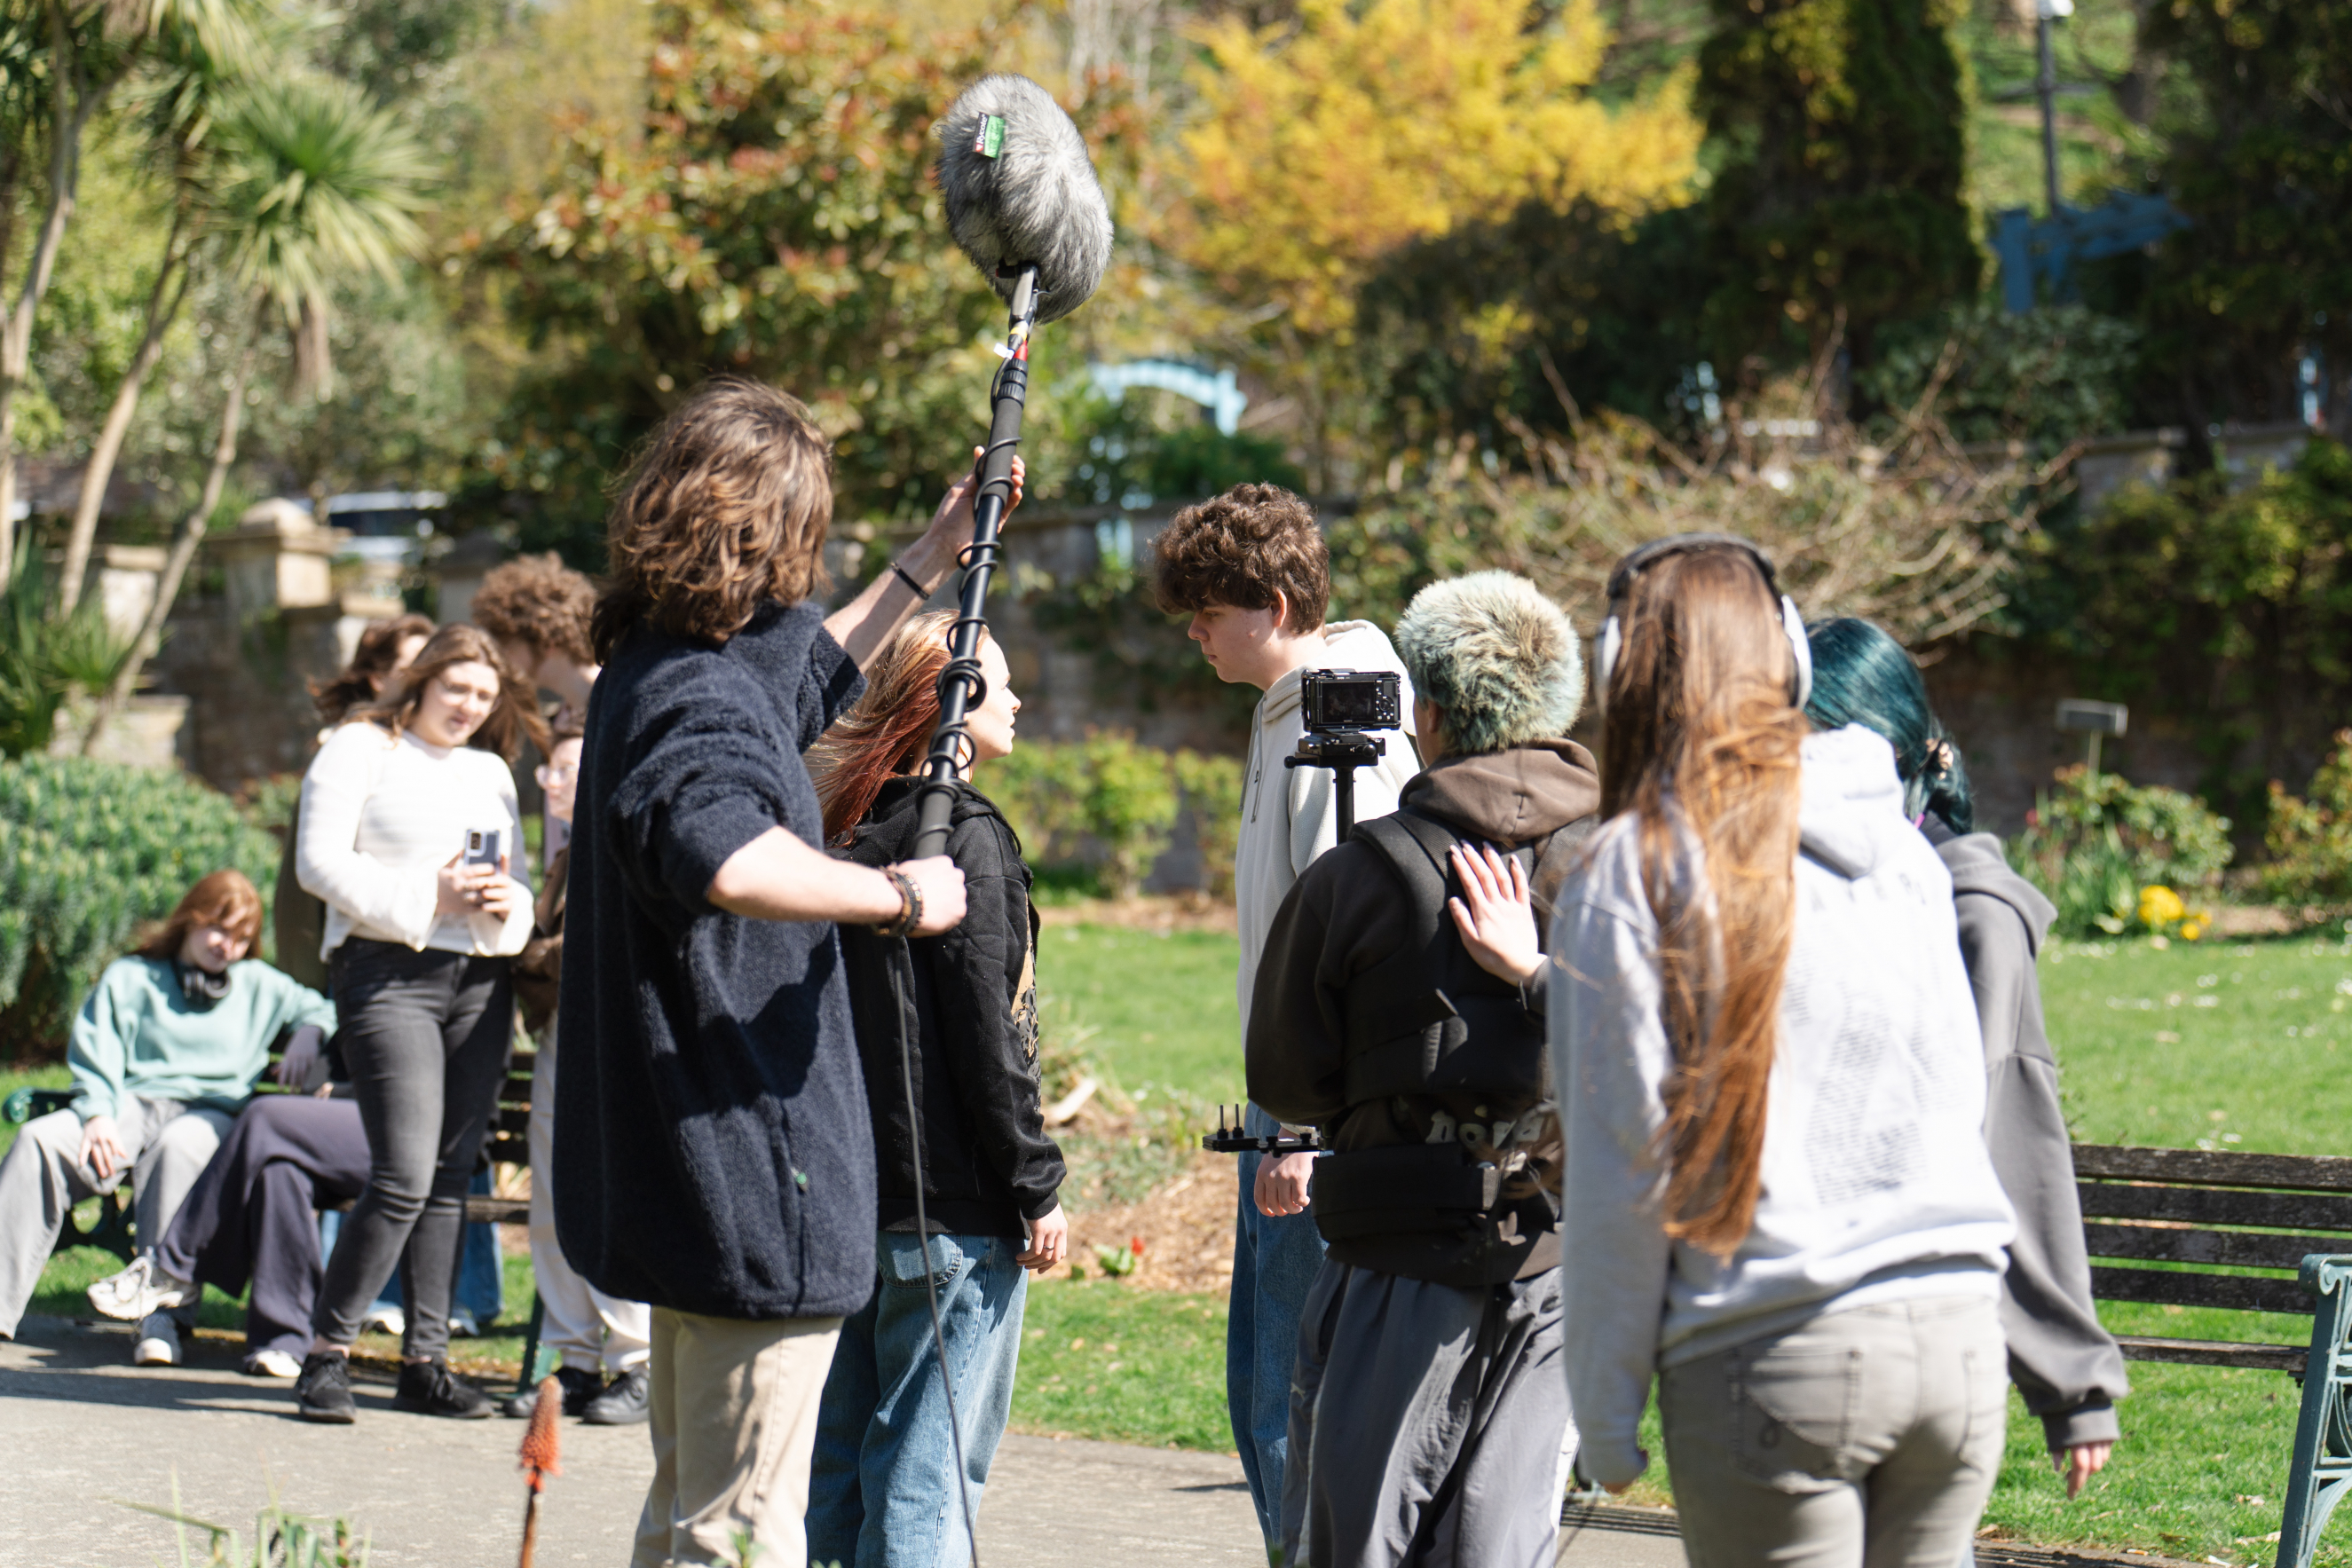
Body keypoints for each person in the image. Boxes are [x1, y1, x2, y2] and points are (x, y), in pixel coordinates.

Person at [556, 378, 1012, 1568]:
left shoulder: (666, 668)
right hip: (745, 1181)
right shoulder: (690, 696)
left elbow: (805, 672)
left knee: (693, 1516)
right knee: (738, 1537)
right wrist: (899, 896)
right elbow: (729, 852)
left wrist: (935, 548)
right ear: (775, 528)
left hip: (698, 1185)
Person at [1552, 535, 2017, 1568]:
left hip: (1774, 1349)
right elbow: (1953, 1091)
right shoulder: (1902, 848)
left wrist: (1604, 1408)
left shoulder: (1631, 870)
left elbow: (1620, 1159)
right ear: (1794, 661)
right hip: (1953, 1338)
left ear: (1617, 669)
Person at [1248, 571, 1597, 1567]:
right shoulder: (1626, 861)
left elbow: (1286, 1079)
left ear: (1430, 714)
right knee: (1500, 1540)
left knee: (1360, 1534)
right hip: (1561, 1258)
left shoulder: (1358, 875)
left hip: (1394, 1255)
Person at [1148, 482, 1421, 1548]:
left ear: (1268, 599)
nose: (1194, 633)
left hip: (1320, 1119)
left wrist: (1309, 1129)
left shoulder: (1342, 711)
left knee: (1293, 1401)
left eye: (1208, 612)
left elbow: (1370, 944)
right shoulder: (1283, 706)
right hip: (1283, 1101)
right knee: (1261, 1388)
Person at [1805, 616, 2127, 1499]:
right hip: (1790, 1327)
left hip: (1917, 1336)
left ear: (1900, 755)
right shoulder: (1803, 887)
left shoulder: (1971, 916)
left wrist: (2073, 1387)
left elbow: (2006, 1136)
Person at [806, 612, 1070, 1568]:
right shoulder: (962, 838)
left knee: (835, 1469)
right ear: (949, 706)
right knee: (927, 1476)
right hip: (948, 1212)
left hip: (849, 1203)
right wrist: (1033, 1182)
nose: (1019, 701)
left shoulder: (836, 841)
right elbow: (984, 1036)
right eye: (1000, 684)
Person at [292, 622, 543, 1423]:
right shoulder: (360, 746)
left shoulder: (492, 770)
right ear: (424, 680)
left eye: (484, 694)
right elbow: (318, 863)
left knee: (450, 1169)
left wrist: (513, 906)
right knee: (402, 1169)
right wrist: (423, 898)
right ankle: (326, 1353)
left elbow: (521, 878)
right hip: (385, 971)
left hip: (480, 978)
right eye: (457, 688)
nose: (470, 705)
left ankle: (425, 1363)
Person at [0, 870, 334, 1366]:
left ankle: (162, 1319)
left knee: (178, 1150)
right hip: (128, 1106)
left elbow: (323, 1008)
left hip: (210, 1115)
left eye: (242, 938)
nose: (228, 947)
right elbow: (99, 1052)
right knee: (39, 1141)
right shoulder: (133, 977)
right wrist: (97, 1115)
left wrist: (310, 1031)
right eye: (219, 930)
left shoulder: (260, 985)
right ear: (190, 920)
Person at [501, 714, 655, 1426]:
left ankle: (634, 1358)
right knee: (553, 1200)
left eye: (565, 767)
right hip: (564, 1029)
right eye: (550, 769)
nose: (552, 780)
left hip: (614, 1034)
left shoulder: (627, 833)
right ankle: (572, 1360)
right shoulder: (564, 853)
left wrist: (529, 948)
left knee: (612, 1188)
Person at [87, 1091, 369, 1378]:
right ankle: (285, 1340)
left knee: (265, 1117)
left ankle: (175, 1268)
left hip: (400, 1124)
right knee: (279, 1171)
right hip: (353, 1113)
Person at [280, 613, 437, 992]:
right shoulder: (347, 749)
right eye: (411, 668)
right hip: (362, 967)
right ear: (378, 678)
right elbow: (303, 889)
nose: (424, 680)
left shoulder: (444, 755)